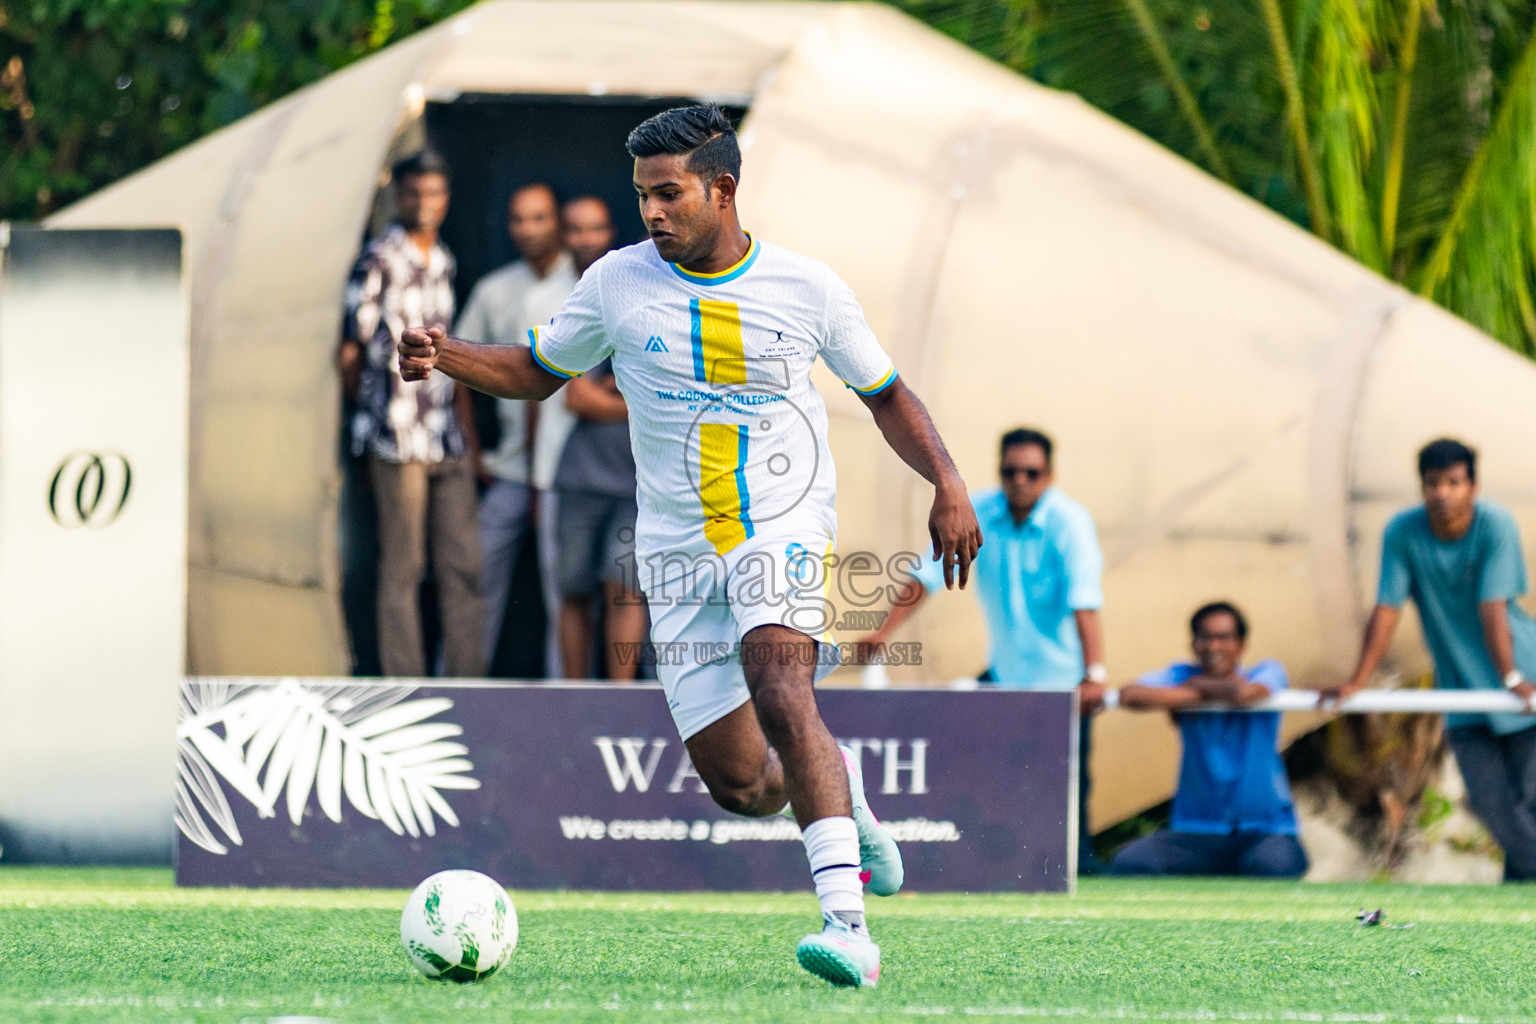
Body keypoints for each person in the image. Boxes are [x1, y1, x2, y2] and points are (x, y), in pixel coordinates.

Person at [396, 104, 982, 987]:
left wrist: (948, 482)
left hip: (780, 526)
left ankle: (847, 923)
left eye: (669, 194)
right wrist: (445, 354)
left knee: (783, 685)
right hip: (674, 551)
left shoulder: (808, 287)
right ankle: (846, 791)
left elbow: (887, 394)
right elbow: (533, 374)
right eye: (643, 197)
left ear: (724, 188)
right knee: (743, 784)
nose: (653, 213)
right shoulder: (615, 284)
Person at [856, 427, 1108, 873]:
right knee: (994, 791)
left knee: (1067, 802)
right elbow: (927, 575)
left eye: (1031, 472)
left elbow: (1084, 603)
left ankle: (1076, 882)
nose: (1020, 481)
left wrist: (1095, 675)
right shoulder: (981, 514)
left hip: (1062, 690)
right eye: (1011, 471)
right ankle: (995, 874)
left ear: (1049, 475)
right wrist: (881, 633)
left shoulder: (1069, 523)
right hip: (1004, 682)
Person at [1322, 438, 1536, 881]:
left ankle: (1519, 910)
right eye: (1433, 482)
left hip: (1521, 682)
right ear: (1421, 487)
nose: (1443, 493)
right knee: (1494, 805)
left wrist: (1514, 678)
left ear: (1472, 487)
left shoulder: (1495, 524)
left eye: (1454, 482)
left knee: (1531, 803)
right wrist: (1357, 681)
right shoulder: (1403, 531)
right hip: (1461, 691)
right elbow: (1386, 609)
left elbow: (1492, 608)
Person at [339, 149, 483, 678]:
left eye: (434, 192)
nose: (424, 202)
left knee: (463, 566)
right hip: (396, 439)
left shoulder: (444, 259)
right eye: (414, 192)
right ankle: (408, 686)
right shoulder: (378, 259)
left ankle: (471, 684)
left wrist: (470, 436)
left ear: (446, 199)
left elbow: (455, 355)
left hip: (446, 435)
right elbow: (350, 353)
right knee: (405, 568)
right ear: (398, 196)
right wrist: (373, 418)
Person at [455, 183, 576, 671]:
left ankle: (565, 701)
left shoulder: (586, 287)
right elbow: (461, 369)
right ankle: (458, 687)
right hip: (509, 466)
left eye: (539, 218)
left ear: (559, 224)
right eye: (518, 220)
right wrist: (470, 450)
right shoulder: (494, 290)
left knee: (565, 589)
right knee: (475, 576)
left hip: (570, 470)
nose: (528, 230)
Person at [1110, 602, 1308, 877]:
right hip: (1196, 833)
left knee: (1275, 864)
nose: (1213, 647)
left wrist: (1194, 688)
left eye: (1223, 638)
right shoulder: (1183, 674)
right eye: (1205, 637)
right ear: (1194, 643)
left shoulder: (1266, 670)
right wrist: (1198, 692)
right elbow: (1129, 695)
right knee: (1131, 861)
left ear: (1241, 645)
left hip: (1264, 831)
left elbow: (1247, 694)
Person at [548, 197, 644, 680]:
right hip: (582, 474)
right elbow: (578, 398)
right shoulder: (608, 298)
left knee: (625, 589)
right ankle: (574, 696)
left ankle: (620, 700)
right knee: (575, 590)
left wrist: (624, 389)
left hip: (637, 481)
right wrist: (635, 396)